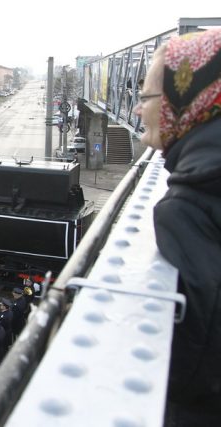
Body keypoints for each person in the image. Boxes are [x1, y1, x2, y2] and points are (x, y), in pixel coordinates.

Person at [133, 29, 221, 425]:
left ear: (184, 99)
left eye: (147, 98)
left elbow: (196, 371)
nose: (137, 109)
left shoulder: (191, 203)